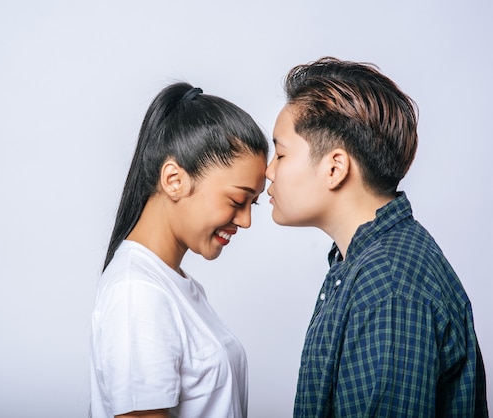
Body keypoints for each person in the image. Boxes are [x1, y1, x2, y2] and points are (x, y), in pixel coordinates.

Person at [266, 57, 488, 417]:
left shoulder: (388, 286)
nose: (268, 170)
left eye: (280, 153)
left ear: (335, 168)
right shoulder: (368, 263)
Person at [90, 82, 269, 417]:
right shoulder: (139, 293)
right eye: (237, 200)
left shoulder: (168, 284)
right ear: (174, 180)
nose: (245, 221)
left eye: (253, 204)